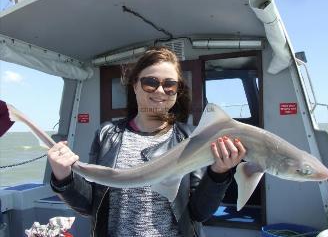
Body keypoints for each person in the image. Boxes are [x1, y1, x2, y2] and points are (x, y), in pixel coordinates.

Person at [48, 47, 246, 237]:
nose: (160, 91)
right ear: (135, 85)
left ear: (177, 91)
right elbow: (90, 205)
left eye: (170, 85)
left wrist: (218, 174)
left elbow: (198, 213)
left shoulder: (191, 138)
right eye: (150, 82)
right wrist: (63, 177)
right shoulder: (107, 134)